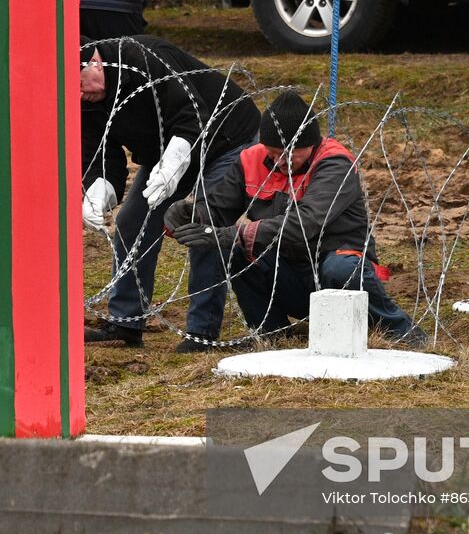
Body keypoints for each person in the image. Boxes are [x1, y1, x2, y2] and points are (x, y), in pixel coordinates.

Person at [166, 90, 425, 347]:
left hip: (337, 268)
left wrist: (236, 234)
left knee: (339, 268)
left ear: (311, 144)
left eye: (291, 153)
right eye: (274, 152)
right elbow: (221, 207)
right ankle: (270, 335)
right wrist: (193, 212)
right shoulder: (251, 159)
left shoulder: (335, 163)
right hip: (287, 270)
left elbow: (305, 223)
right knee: (234, 252)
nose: (282, 161)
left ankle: (399, 330)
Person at [80, 34, 260, 351]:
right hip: (163, 156)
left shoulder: (145, 58)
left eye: (79, 85)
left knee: (203, 226)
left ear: (94, 61)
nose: (80, 95)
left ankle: (201, 333)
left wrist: (176, 159)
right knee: (132, 224)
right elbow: (101, 154)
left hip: (225, 140)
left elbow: (191, 114)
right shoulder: (86, 100)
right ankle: (125, 322)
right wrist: (100, 187)